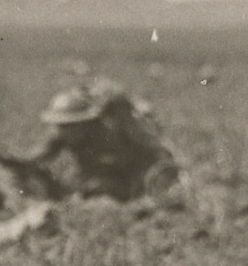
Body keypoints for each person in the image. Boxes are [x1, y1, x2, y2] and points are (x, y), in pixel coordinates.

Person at [29, 79, 179, 202]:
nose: (65, 131)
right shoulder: (62, 134)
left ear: (84, 122)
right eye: (61, 126)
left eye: (71, 125)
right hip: (96, 175)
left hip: (131, 175)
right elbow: (37, 157)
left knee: (97, 188)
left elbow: (156, 150)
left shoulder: (113, 129)